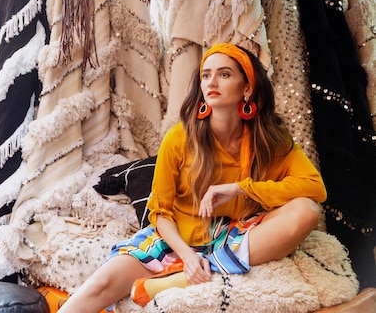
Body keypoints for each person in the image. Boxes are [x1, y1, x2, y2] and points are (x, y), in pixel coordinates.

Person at [57, 43, 327, 312]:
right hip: (177, 241)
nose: (212, 82)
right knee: (99, 285)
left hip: (236, 235)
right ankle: (199, 270)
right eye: (206, 75)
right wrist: (187, 257)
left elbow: (315, 187)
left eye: (224, 74)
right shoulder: (179, 138)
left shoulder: (270, 142)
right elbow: (159, 211)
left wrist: (240, 189)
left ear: (247, 88)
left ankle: (184, 280)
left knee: (306, 210)